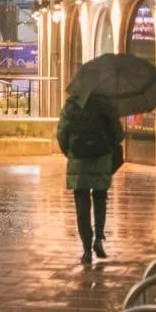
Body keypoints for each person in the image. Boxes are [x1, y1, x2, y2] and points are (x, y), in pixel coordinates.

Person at [57, 90, 125, 265]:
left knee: (82, 203)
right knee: (100, 198)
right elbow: (118, 133)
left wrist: (71, 152)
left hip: (78, 159)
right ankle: (99, 240)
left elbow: (62, 133)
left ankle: (86, 249)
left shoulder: (71, 104)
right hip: (101, 157)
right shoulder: (105, 102)